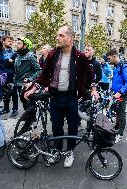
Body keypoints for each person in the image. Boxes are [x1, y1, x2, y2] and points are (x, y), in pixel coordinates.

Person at [24, 26, 98, 168]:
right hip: (56, 97)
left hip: (72, 98)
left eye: (61, 35)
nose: (57, 38)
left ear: (71, 39)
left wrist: (94, 89)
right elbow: (44, 74)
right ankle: (56, 151)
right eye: (57, 35)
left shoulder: (79, 57)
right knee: (56, 126)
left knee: (72, 128)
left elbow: (90, 73)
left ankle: (69, 151)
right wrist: (34, 87)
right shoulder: (53, 54)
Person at [106, 49, 127, 143]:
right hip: (116, 95)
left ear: (114, 56)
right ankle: (117, 127)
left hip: (121, 95)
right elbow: (116, 81)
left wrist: (120, 92)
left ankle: (120, 134)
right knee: (117, 112)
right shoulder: (116, 67)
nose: (108, 61)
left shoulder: (124, 66)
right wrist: (111, 90)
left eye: (109, 58)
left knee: (121, 114)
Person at [13, 37, 41, 111]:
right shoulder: (18, 56)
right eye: (17, 43)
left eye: (19, 43)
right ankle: (28, 118)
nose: (16, 45)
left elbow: (39, 70)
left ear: (25, 46)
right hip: (18, 83)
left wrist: (30, 79)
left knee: (28, 103)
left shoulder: (30, 56)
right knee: (24, 102)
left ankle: (31, 119)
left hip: (27, 84)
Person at [0, 35, 18, 117]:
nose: (11, 43)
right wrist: (7, 60)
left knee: (14, 92)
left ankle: (15, 109)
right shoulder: (0, 51)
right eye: (9, 41)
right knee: (4, 91)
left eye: (11, 41)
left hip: (12, 74)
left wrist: (8, 62)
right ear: (4, 42)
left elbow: (15, 63)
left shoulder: (14, 52)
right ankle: (6, 108)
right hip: (2, 74)